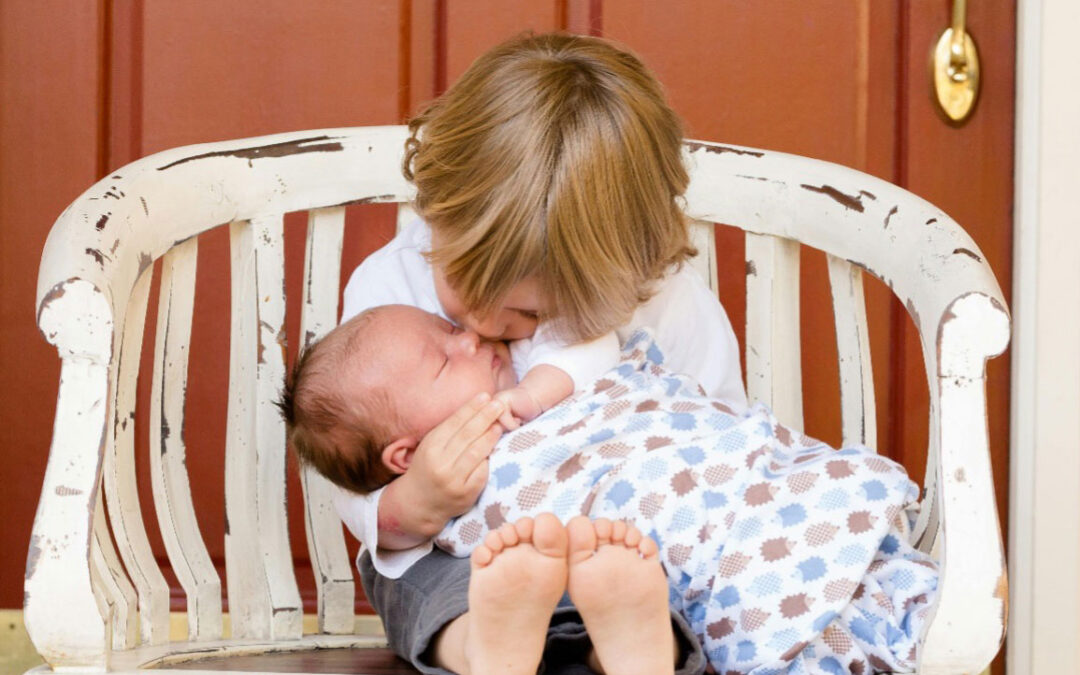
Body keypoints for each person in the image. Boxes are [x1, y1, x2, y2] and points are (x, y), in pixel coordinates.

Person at [322, 31, 746, 675]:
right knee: (422, 583)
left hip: (634, 548)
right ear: (438, 217)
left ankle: (632, 648)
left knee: (668, 589)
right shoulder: (391, 287)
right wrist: (413, 503)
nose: (486, 327)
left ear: (626, 271)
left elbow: (723, 442)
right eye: (465, 288)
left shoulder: (667, 304)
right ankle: (484, 646)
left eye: (531, 315)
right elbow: (349, 450)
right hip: (476, 557)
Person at [281, 306, 936, 674]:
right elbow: (386, 524)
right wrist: (421, 501)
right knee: (479, 564)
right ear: (405, 451)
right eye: (446, 355)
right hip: (622, 557)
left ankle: (618, 645)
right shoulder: (387, 323)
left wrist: (538, 393)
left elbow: (640, 383)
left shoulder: (557, 344)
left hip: (739, 493)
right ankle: (578, 645)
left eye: (450, 326)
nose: (471, 335)